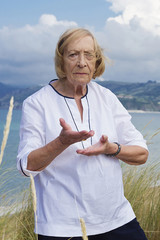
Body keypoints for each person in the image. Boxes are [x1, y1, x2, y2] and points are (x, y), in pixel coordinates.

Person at [17, 28, 149, 240]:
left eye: (89, 55)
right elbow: (26, 166)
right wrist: (61, 142)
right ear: (61, 61)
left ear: (96, 62)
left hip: (118, 220)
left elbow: (142, 154)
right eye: (73, 54)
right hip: (61, 229)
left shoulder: (107, 97)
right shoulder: (36, 104)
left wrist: (112, 148)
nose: (82, 62)